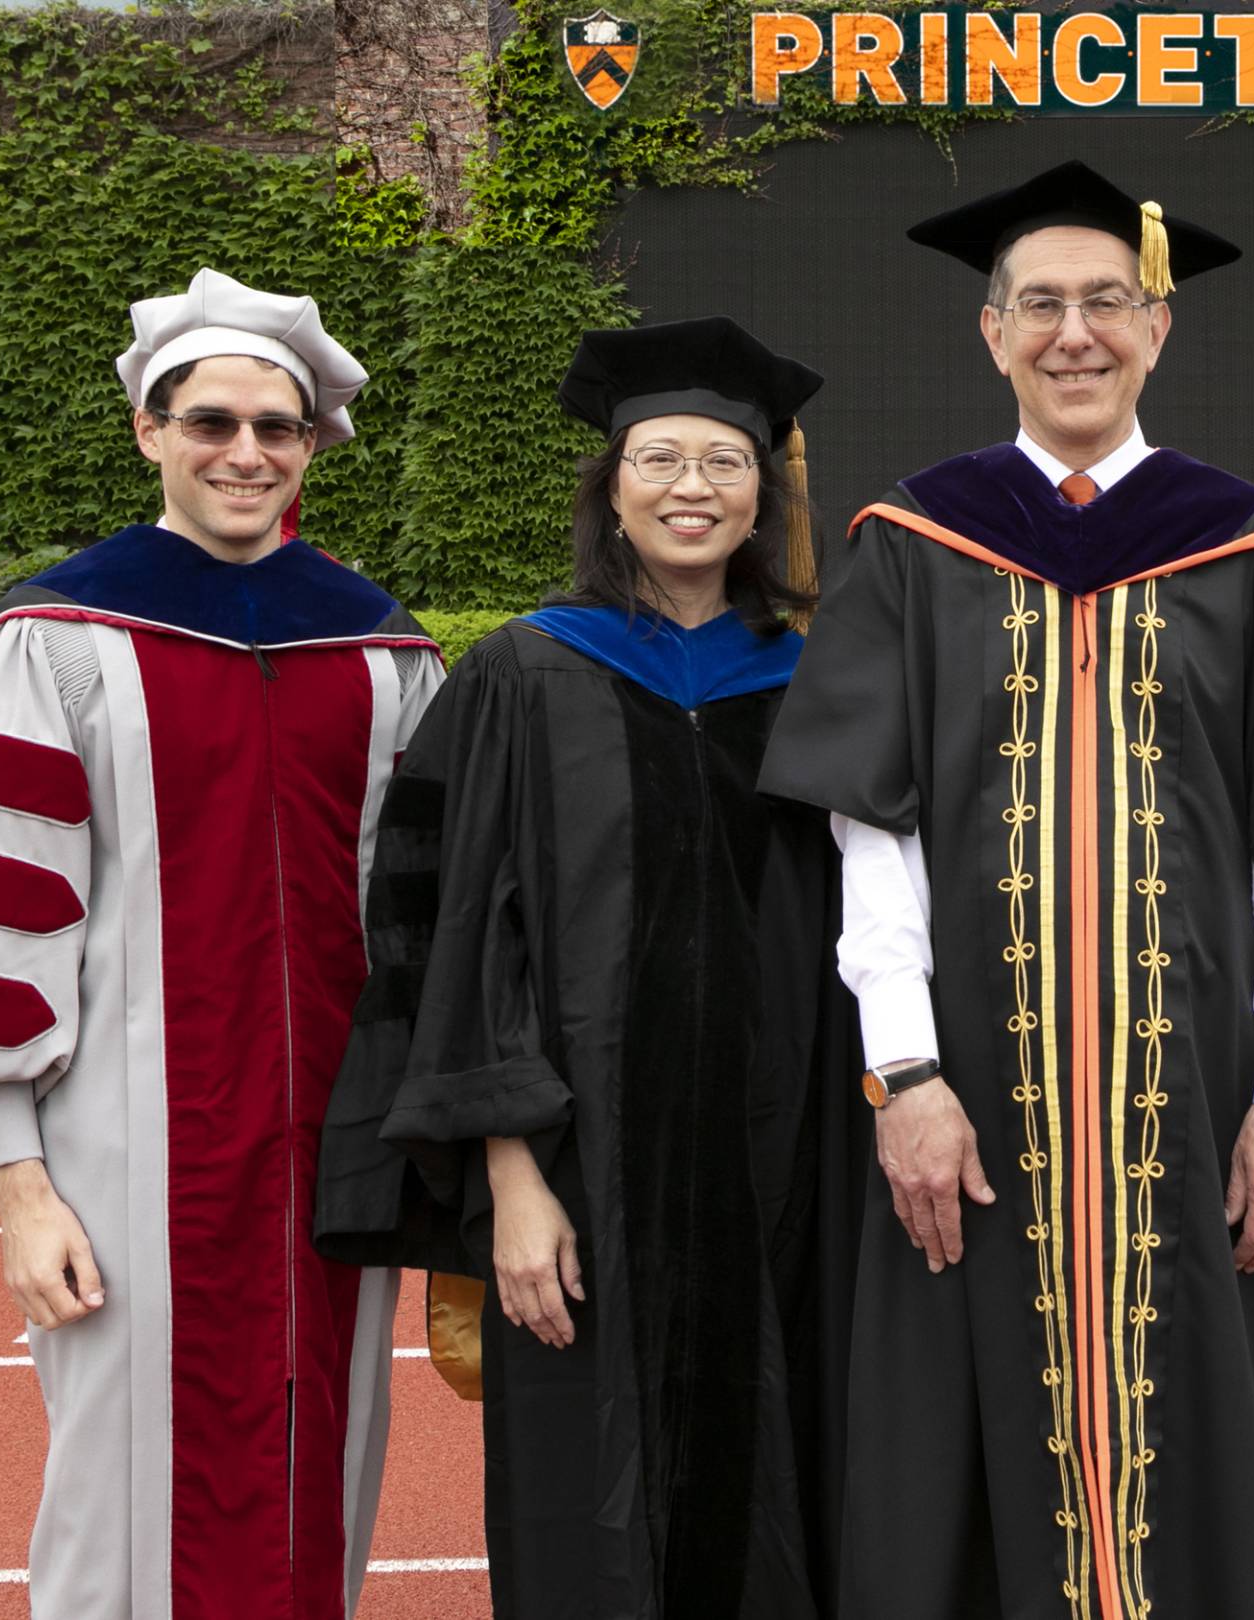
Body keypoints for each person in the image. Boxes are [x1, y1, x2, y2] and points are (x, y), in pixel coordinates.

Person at [756, 160, 1254, 1619]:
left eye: (1107, 302)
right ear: (991, 335)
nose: (1074, 334)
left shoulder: (1253, 551)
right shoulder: (915, 549)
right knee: (956, 1446)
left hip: (1207, 1092)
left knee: (1232, 1440)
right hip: (972, 1099)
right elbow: (873, 836)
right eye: (1039, 305)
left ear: (1157, 328)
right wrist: (903, 1076)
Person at [0, 266, 441, 1619]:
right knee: (122, 1496)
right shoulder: (56, 640)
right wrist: (18, 1186)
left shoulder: (382, 650)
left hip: (337, 1150)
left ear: (311, 448)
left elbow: (429, 913)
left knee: (325, 1464)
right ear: (150, 433)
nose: (246, 451)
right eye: (213, 422)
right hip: (122, 1151)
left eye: (276, 428)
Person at [314, 317, 858, 1617]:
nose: (692, 487)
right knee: (588, 1496)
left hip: (794, 1176)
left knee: (800, 1476)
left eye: (725, 462)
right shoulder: (521, 677)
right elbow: (447, 935)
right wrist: (509, 1180)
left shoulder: (820, 683)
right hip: (579, 1172)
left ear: (763, 494)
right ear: (610, 487)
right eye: (660, 458)